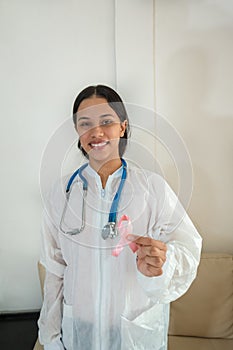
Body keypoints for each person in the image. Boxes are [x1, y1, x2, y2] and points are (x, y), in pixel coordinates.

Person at [38, 85, 202, 350]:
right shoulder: (62, 193)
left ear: (123, 127)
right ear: (78, 132)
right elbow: (55, 270)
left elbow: (188, 249)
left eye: (106, 122)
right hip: (79, 331)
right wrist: (51, 336)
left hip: (134, 332)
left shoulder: (153, 188)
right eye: (85, 124)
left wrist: (162, 262)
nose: (97, 132)